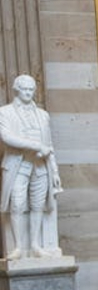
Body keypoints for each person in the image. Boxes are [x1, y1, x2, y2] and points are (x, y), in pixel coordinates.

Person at [0, 74, 62, 260]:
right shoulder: (5, 112)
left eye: (31, 90)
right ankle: (19, 247)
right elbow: (7, 137)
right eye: (24, 90)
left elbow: (49, 145)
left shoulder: (43, 115)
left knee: (38, 205)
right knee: (17, 204)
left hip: (40, 166)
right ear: (16, 90)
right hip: (18, 165)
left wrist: (55, 170)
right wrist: (35, 146)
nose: (28, 93)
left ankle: (35, 244)